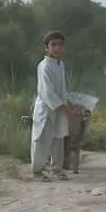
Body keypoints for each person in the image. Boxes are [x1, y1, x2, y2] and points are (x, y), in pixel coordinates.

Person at [30, 30, 73, 182]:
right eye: (53, 45)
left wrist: (66, 102)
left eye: (59, 44)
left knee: (58, 139)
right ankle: (37, 171)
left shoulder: (60, 64)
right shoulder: (44, 66)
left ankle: (56, 169)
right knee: (42, 140)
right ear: (46, 48)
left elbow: (61, 89)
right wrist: (63, 106)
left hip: (59, 107)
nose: (56, 48)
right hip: (46, 109)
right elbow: (47, 92)